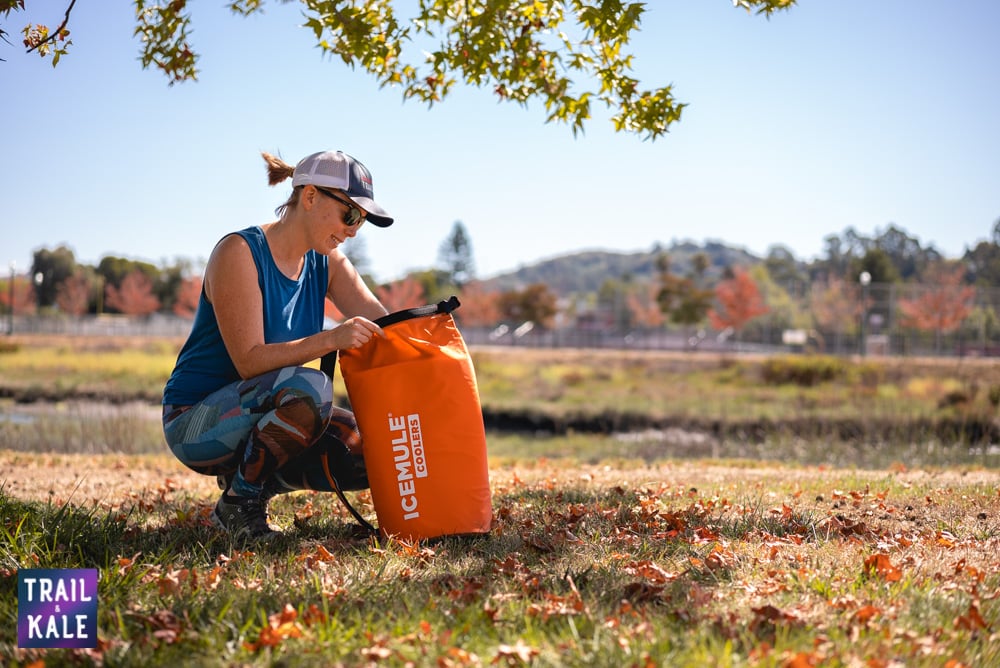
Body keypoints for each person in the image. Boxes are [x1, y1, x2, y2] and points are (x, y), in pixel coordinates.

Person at [162, 149, 393, 542]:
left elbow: (386, 325)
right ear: (310, 197)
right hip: (194, 422)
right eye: (350, 215)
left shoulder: (328, 262)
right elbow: (250, 361)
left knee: (377, 453)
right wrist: (332, 338)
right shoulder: (239, 252)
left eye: (362, 221)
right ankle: (239, 507)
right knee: (311, 388)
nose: (354, 229)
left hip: (260, 411)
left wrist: (440, 350)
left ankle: (245, 487)